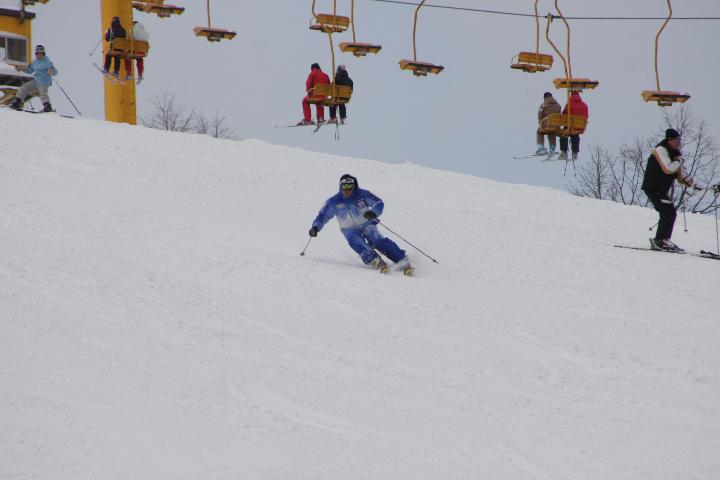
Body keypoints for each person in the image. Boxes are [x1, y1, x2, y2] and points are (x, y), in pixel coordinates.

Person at [309, 174, 413, 274]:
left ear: (353, 186)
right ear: (340, 186)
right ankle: (375, 261)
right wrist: (315, 227)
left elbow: (379, 202)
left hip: (367, 223)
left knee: (376, 239)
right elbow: (323, 215)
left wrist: (373, 212)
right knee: (355, 242)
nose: (346, 190)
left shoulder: (363, 194)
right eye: (344, 186)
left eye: (349, 186)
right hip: (349, 229)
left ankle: (401, 259)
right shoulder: (334, 201)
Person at [641, 128, 702, 252]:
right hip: (653, 187)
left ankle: (662, 240)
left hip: (660, 190)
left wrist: (693, 184)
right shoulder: (660, 150)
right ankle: (661, 240)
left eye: (680, 140)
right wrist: (679, 161)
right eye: (676, 140)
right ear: (669, 139)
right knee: (669, 212)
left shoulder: (674, 154)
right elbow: (668, 169)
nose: (678, 142)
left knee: (668, 212)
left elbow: (680, 173)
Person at [8, 45, 58, 112]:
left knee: (42, 93)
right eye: (37, 53)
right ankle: (17, 102)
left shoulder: (47, 61)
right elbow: (30, 70)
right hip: (36, 80)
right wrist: (21, 68)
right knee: (24, 87)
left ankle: (47, 106)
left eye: (41, 53)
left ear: (43, 53)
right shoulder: (35, 62)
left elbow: (55, 71)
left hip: (44, 81)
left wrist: (51, 71)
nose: (39, 55)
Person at [559, 91, 589, 160]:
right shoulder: (585, 105)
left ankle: (564, 152)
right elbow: (586, 116)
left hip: (570, 125)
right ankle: (575, 153)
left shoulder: (569, 104)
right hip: (580, 126)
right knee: (575, 135)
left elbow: (564, 115)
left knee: (564, 133)